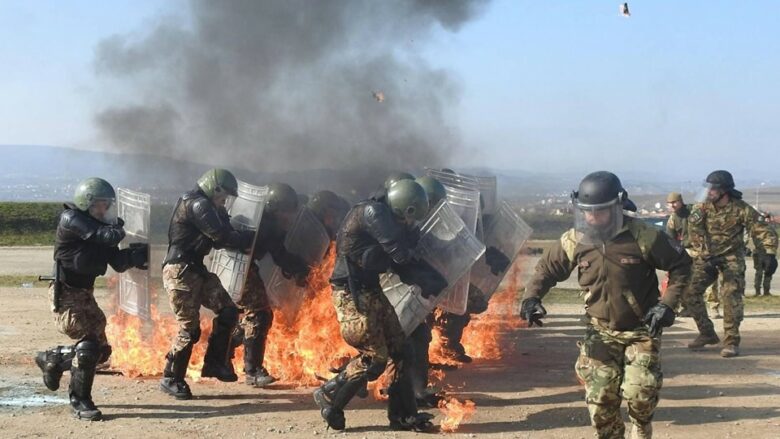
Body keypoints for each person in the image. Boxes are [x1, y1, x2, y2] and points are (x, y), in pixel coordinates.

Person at [521, 171, 691, 439]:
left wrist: (668, 305)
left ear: (617, 206)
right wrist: (532, 298)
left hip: (641, 329)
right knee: (600, 401)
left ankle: (641, 427)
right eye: (586, 212)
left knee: (639, 393)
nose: (591, 218)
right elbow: (546, 269)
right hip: (600, 329)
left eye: (599, 212)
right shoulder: (575, 239)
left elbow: (681, 265)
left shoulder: (644, 236)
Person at [313, 179, 445, 432]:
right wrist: (428, 276)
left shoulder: (388, 217)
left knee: (403, 350)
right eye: (411, 218)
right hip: (351, 293)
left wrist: (431, 279)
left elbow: (396, 260)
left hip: (370, 289)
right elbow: (400, 255)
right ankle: (331, 396)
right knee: (375, 358)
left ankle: (403, 416)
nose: (411, 224)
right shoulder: (374, 213)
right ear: (403, 209)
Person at [35, 177, 149, 420]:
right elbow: (103, 236)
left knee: (102, 351)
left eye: (107, 205)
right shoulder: (72, 219)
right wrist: (119, 229)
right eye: (99, 204)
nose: (104, 209)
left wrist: (136, 255)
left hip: (84, 294)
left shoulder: (102, 227)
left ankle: (53, 358)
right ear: (85, 203)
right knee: (87, 349)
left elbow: (117, 263)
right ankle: (80, 401)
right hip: (65, 292)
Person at [159, 168, 254, 399]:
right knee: (189, 329)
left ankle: (214, 363)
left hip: (196, 269)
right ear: (215, 188)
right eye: (224, 195)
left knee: (229, 311)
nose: (225, 200)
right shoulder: (198, 204)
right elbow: (221, 237)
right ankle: (171, 377)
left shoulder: (207, 205)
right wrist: (246, 238)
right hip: (180, 270)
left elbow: (223, 234)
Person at [683, 170, 778, 357]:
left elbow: (762, 230)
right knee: (689, 293)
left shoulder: (741, 209)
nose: (709, 192)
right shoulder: (701, 208)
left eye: (713, 189)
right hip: (708, 257)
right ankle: (707, 333)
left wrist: (769, 253)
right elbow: (695, 233)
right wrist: (705, 255)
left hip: (731, 259)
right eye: (707, 189)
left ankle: (731, 341)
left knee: (730, 295)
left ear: (724, 191)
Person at [232, 182, 309, 387]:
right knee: (260, 314)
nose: (289, 216)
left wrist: (299, 267)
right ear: (274, 207)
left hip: (245, 269)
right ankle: (253, 371)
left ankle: (222, 352)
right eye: (286, 211)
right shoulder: (260, 223)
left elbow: (279, 254)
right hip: (238, 269)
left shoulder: (272, 225)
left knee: (250, 316)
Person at [750, 211, 774, 296]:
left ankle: (765, 291)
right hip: (760, 252)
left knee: (768, 272)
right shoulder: (756, 227)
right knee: (760, 273)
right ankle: (758, 291)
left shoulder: (770, 227)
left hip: (769, 253)